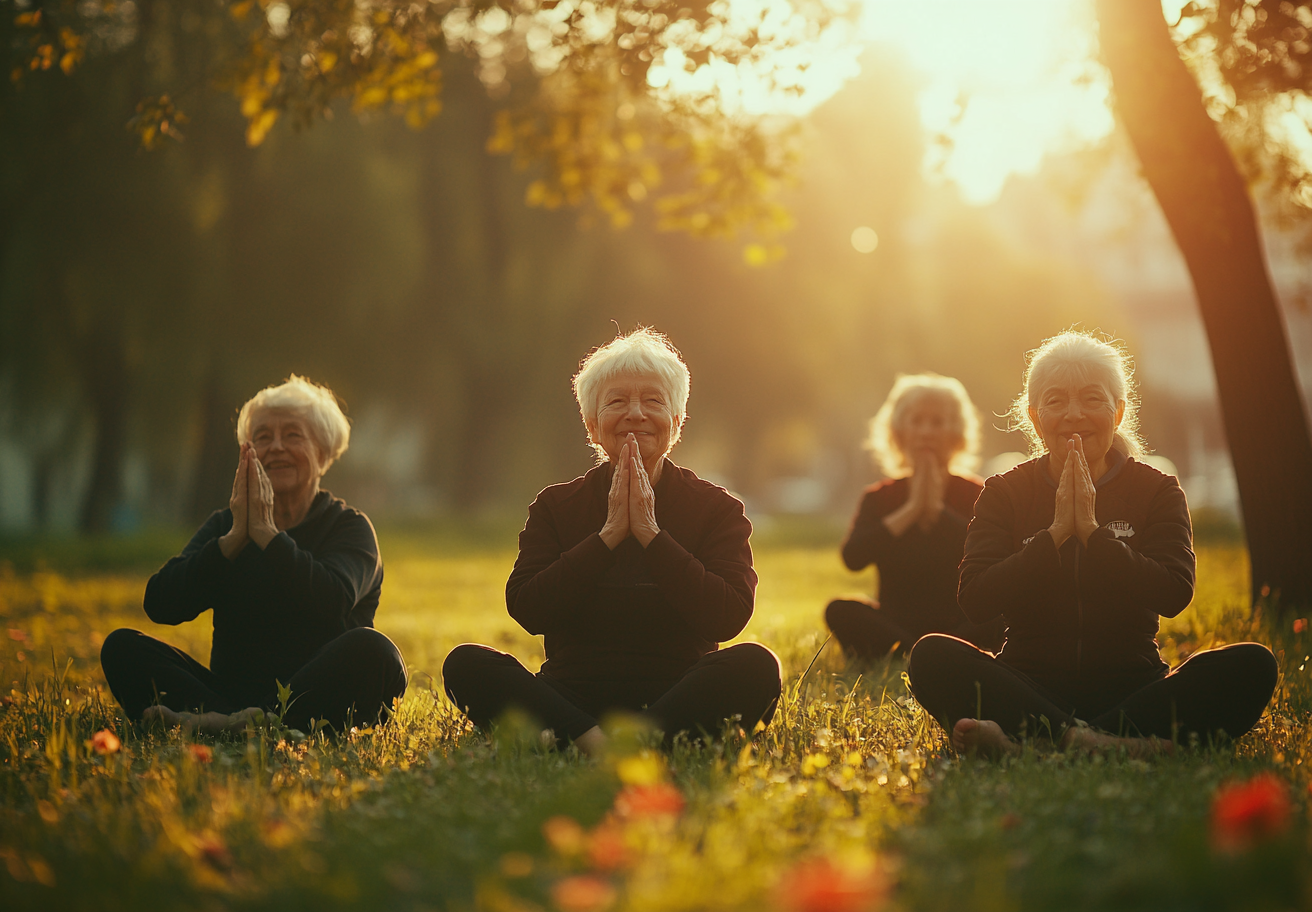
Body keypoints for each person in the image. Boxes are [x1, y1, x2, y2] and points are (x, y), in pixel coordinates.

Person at [907, 331, 1278, 757]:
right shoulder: (1004, 492)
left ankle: (1038, 743)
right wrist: (1053, 537)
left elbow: (1175, 592)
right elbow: (975, 598)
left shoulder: (1156, 490)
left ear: (1118, 412)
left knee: (1254, 664)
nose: (1074, 414)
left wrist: (1094, 538)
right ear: (1034, 417)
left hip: (1133, 688)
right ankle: (1112, 744)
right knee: (930, 655)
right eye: (1056, 401)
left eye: (1092, 399)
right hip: (1029, 685)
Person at [442, 328, 782, 754]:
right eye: (617, 402)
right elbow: (528, 608)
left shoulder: (717, 508)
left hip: (677, 694)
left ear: (677, 422)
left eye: (653, 401)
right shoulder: (556, 505)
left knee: (757, 665)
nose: (635, 414)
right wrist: (607, 538)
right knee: (466, 663)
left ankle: (607, 740)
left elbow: (728, 616)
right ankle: (601, 741)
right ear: (592, 425)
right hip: (572, 696)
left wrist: (652, 537)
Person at [100, 376, 407, 734]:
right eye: (262, 437)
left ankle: (247, 722)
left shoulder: (349, 526)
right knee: (121, 647)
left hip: (315, 695)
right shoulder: (227, 526)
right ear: (247, 455)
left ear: (323, 454)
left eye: (293, 435)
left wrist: (268, 537)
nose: (276, 446)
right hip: (227, 696)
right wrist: (233, 541)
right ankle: (237, 722)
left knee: (375, 650)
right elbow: (160, 604)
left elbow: (332, 600)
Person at [825, 374, 1004, 661]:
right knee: (839, 610)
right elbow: (853, 558)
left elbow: (993, 555)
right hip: (896, 625)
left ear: (955, 433)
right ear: (899, 432)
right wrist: (910, 511)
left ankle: (930, 651)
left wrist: (938, 512)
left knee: (1004, 614)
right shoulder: (878, 497)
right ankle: (923, 653)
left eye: (937, 422)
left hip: (959, 627)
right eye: (916, 421)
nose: (926, 432)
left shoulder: (979, 493)